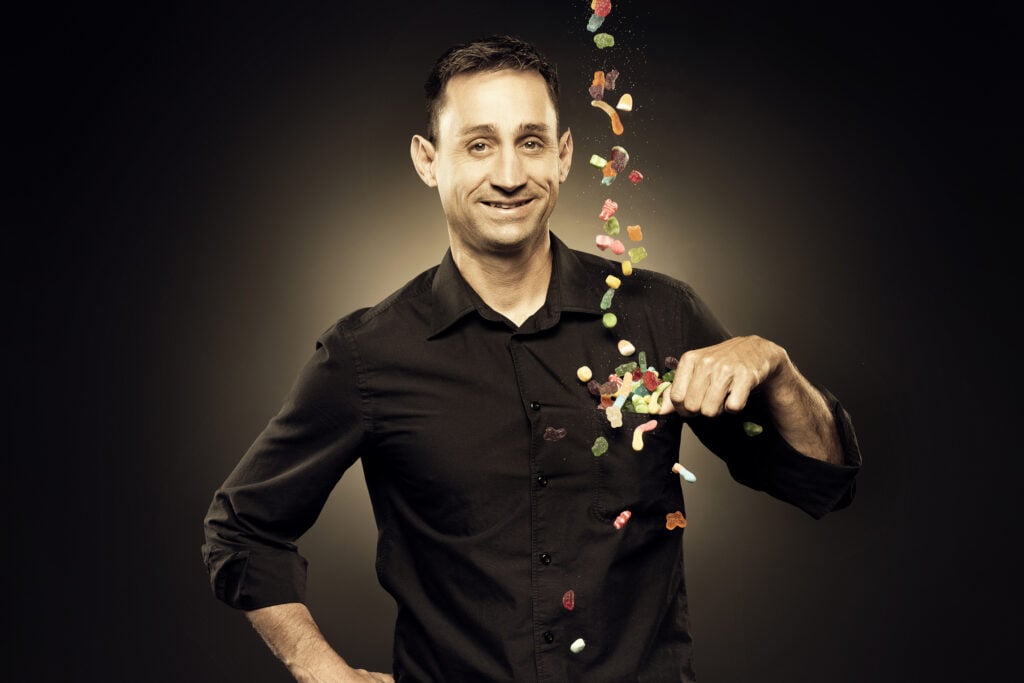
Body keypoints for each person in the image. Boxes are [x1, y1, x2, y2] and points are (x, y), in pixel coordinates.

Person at [202, 34, 862, 683]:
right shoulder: (366, 353)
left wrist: (776, 367)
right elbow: (241, 529)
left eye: (531, 142)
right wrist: (322, 671)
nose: (510, 175)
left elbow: (822, 481)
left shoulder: (662, 314)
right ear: (428, 160)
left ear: (564, 154)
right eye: (479, 144)